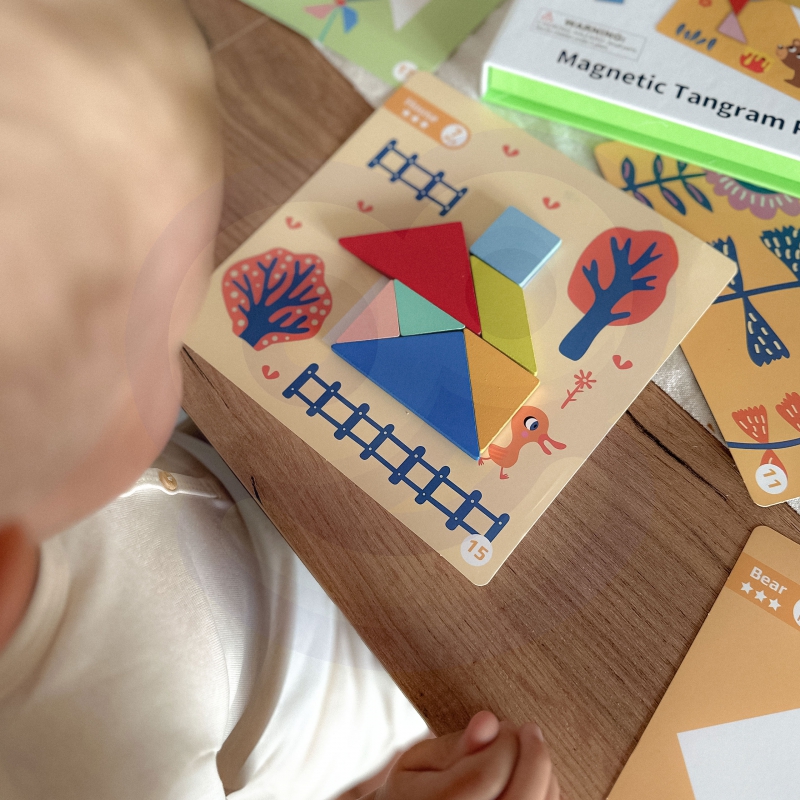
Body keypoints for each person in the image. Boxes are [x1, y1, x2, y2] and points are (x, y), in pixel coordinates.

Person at [0, 1, 559, 798]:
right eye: (168, 341)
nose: (188, 350)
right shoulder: (113, 766)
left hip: (300, 510)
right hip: (389, 717)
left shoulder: (38, 459)